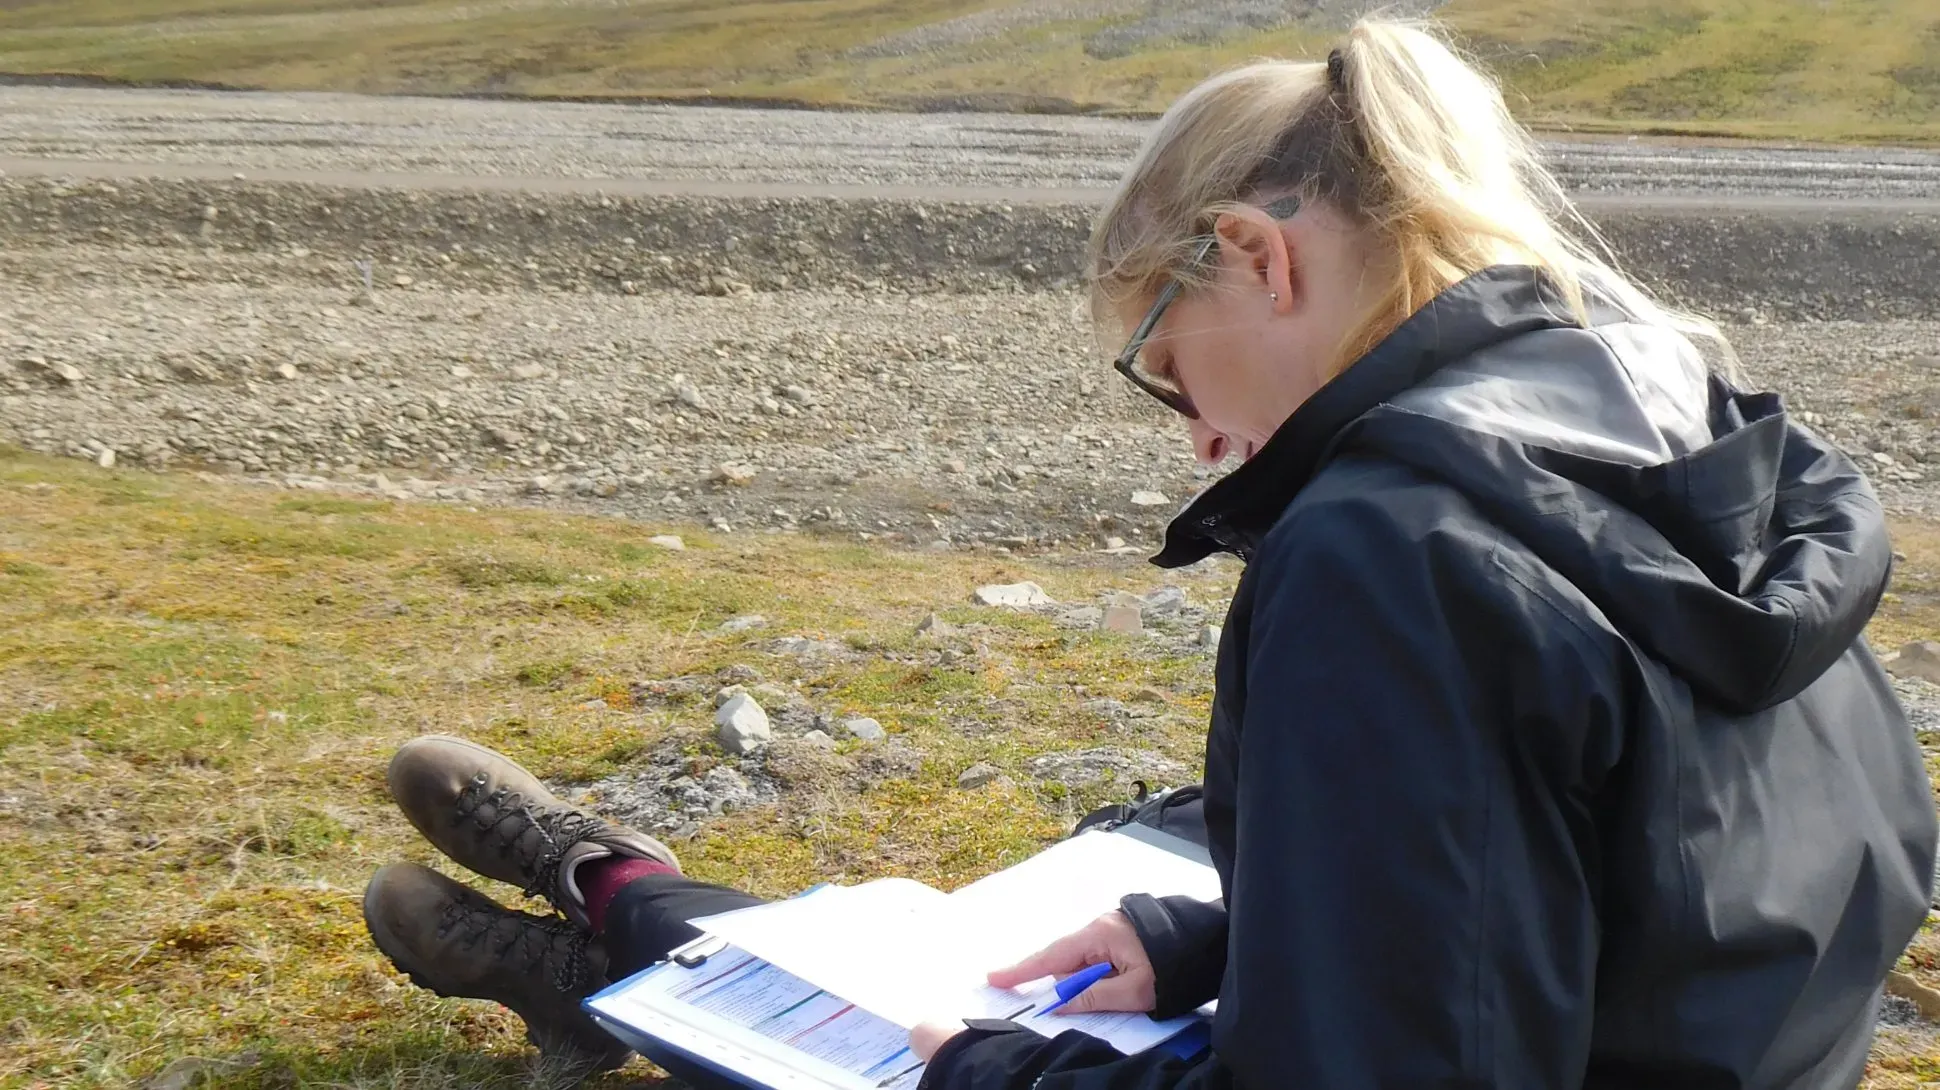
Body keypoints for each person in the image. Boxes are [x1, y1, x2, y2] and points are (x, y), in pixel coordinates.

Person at [363, 16, 1939, 1090]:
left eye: (1168, 370)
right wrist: (1209, 937)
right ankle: (601, 890)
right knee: (962, 974)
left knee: (889, 1033)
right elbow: (1652, 890)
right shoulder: (1703, 445)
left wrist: (968, 1069)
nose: (1193, 440)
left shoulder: (1396, 558)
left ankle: (605, 931)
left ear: (1255, 258)